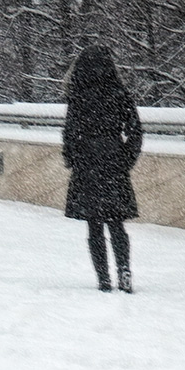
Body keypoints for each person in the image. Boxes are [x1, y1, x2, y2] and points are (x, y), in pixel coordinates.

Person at [62, 45, 143, 293]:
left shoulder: (79, 96)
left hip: (88, 163)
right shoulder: (120, 94)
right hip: (113, 161)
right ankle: (124, 270)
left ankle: (104, 278)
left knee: (94, 224)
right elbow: (136, 131)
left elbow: (70, 132)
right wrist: (125, 158)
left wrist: (74, 159)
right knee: (116, 221)